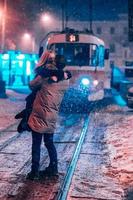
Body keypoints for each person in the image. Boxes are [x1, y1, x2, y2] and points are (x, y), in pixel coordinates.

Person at [24, 52, 71, 180]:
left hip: (40, 115)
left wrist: (43, 72)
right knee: (49, 143)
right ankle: (54, 168)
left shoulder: (44, 76)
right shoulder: (65, 80)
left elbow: (32, 85)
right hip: (52, 115)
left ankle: (34, 172)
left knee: (36, 144)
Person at [15, 52, 71, 133]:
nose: (53, 61)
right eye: (51, 59)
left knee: (38, 136)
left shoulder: (45, 71)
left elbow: (33, 85)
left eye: (53, 59)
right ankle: (26, 119)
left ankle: (26, 119)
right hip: (42, 101)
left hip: (41, 101)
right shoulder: (50, 71)